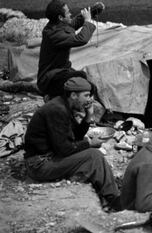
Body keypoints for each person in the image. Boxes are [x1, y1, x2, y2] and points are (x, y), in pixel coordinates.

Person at [24, 77, 120, 210]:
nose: (90, 99)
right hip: (39, 164)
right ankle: (114, 199)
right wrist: (90, 144)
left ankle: (106, 197)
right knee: (94, 155)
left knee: (91, 158)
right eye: (86, 95)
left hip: (50, 156)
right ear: (74, 95)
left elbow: (75, 137)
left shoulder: (64, 104)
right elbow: (65, 149)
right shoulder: (57, 110)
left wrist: (88, 115)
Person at [37, 0, 98, 99]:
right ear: (60, 17)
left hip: (60, 73)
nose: (70, 14)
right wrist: (87, 21)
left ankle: (54, 95)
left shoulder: (56, 25)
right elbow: (81, 39)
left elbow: (72, 24)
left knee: (89, 85)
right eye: (68, 12)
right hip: (50, 80)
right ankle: (51, 96)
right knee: (84, 80)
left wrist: (92, 11)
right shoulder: (53, 34)